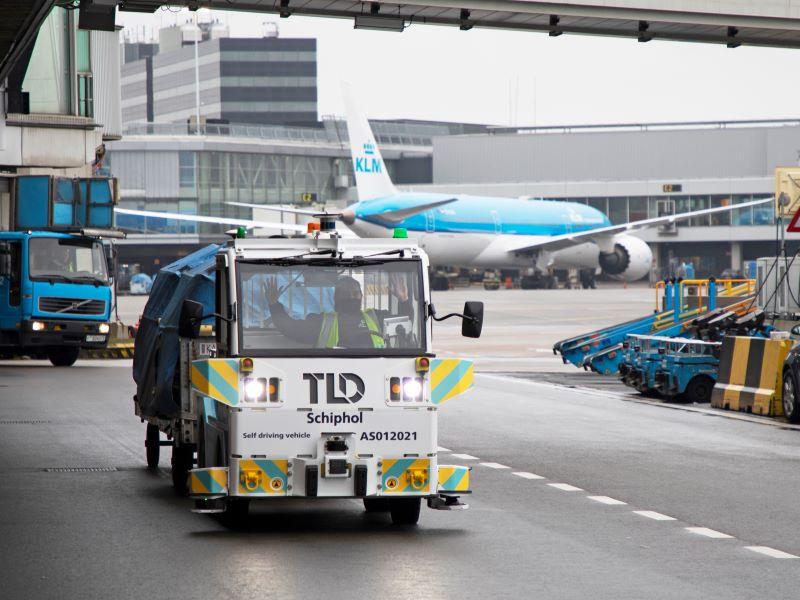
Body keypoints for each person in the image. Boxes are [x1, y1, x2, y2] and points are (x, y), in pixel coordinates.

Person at [265, 275, 411, 349]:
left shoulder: (376, 317)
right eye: (345, 293)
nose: (351, 297)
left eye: (355, 293)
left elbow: (405, 323)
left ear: (361, 296)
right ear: (336, 297)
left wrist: (404, 300)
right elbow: (290, 328)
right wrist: (274, 305)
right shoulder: (322, 322)